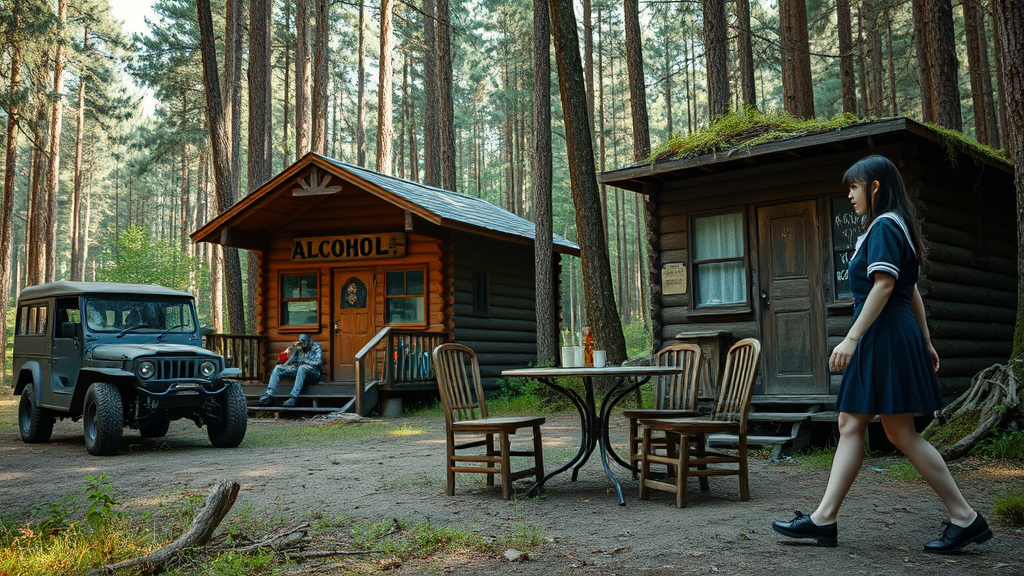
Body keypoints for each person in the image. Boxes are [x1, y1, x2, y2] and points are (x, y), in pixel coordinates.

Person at [772, 155, 992, 553]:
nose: (851, 195)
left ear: (875, 187)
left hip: (882, 335)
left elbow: (888, 286)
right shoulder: (891, 227)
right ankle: (960, 517)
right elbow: (913, 291)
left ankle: (961, 516)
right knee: (869, 426)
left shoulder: (886, 225)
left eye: (855, 187)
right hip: (892, 334)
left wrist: (852, 338)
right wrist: (924, 341)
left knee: (878, 428)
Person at [259, 334, 323, 407]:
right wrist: (292, 353)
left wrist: (305, 360)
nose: (302, 344)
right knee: (278, 368)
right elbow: (292, 360)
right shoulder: (299, 347)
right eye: (301, 342)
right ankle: (269, 394)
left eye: (304, 342)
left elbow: (318, 362)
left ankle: (293, 397)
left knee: (302, 368)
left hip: (313, 372)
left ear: (308, 341)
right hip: (298, 369)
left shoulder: (316, 347)